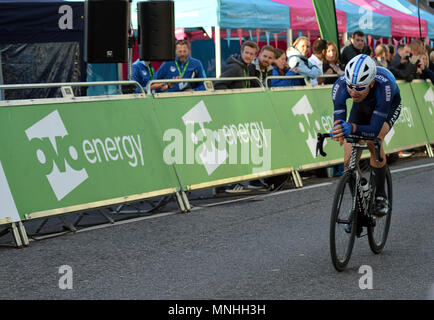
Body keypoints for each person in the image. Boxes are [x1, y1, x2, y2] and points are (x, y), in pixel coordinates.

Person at [331, 54, 402, 216]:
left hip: (387, 106)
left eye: (360, 87)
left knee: (373, 141)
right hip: (361, 107)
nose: (354, 92)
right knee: (348, 161)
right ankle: (358, 204)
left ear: (371, 83)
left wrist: (353, 128)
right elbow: (340, 124)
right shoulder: (340, 86)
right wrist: (338, 130)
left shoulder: (385, 87)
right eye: (351, 87)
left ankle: (380, 196)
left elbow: (374, 129)